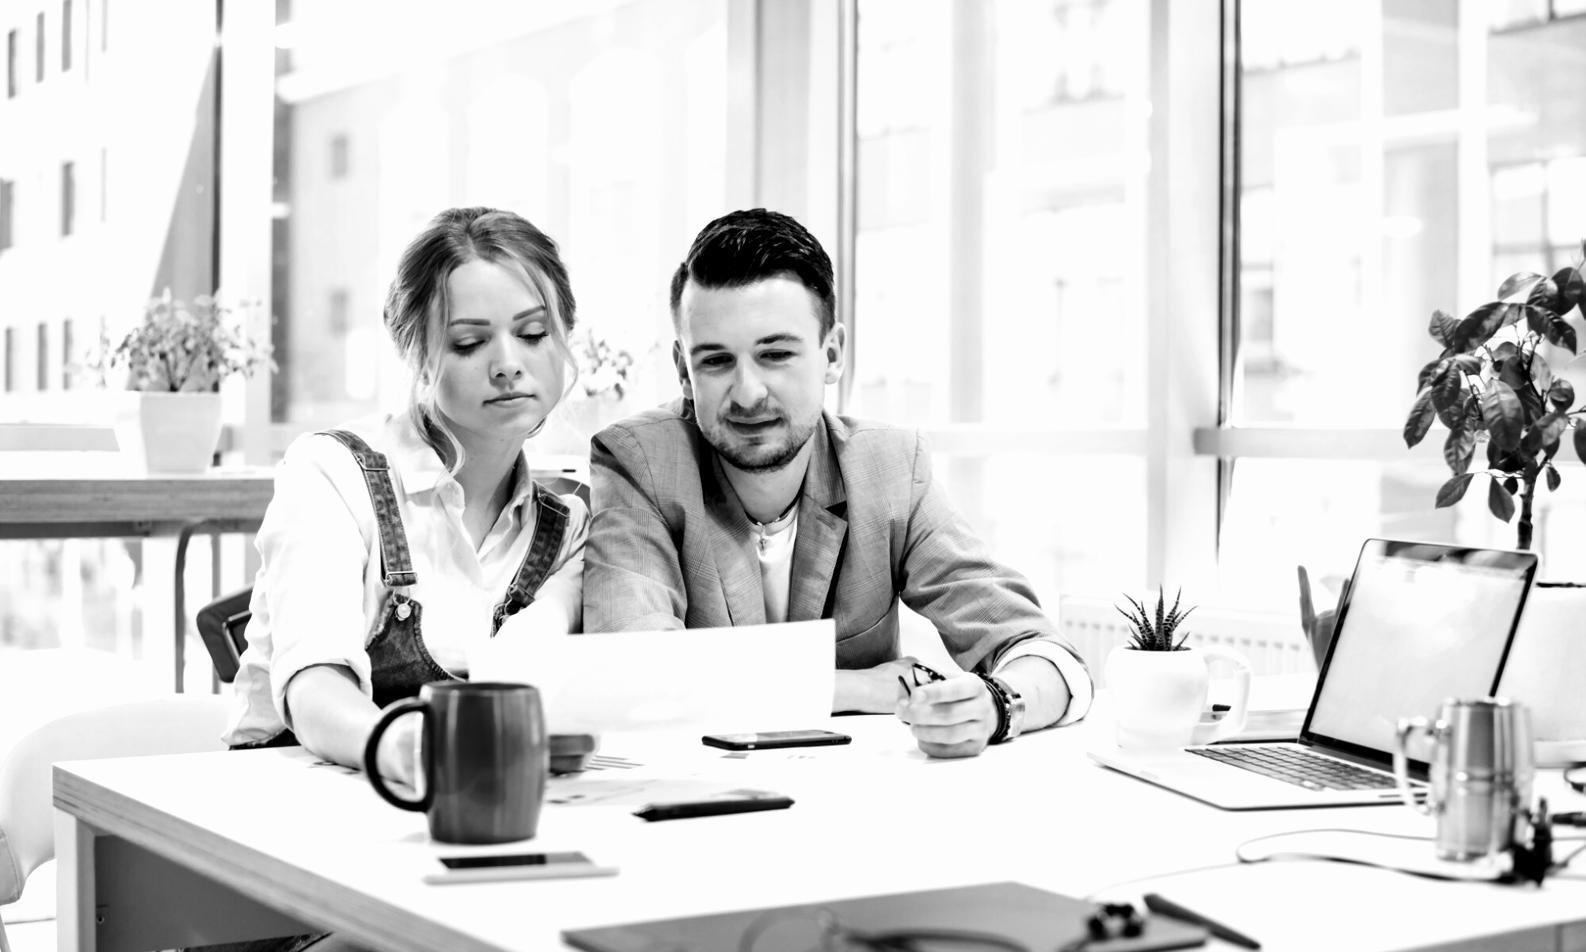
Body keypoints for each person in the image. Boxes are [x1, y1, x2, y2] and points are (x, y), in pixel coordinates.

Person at [583, 208, 1091, 758]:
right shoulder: (639, 461)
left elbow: (1043, 652)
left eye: (776, 355)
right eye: (716, 362)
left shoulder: (891, 468)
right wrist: (855, 688)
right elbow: (630, 674)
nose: (748, 392)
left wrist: (997, 704)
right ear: (684, 371)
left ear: (832, 354)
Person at [223, 206, 588, 787]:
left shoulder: (566, 525)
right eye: (469, 343)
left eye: (534, 334)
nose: (509, 365)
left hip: (459, 801)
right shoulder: (333, 473)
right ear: (416, 353)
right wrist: (406, 750)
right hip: (290, 797)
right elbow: (313, 686)